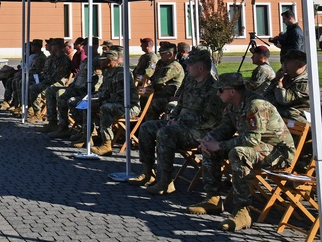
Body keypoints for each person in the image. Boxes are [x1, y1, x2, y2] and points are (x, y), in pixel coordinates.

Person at [192, 72, 295, 231]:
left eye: (220, 90)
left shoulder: (255, 105)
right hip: (258, 147)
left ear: (232, 91)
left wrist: (219, 145)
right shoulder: (233, 104)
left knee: (238, 153)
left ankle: (242, 211)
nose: (217, 93)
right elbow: (226, 127)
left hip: (278, 152)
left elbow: (251, 140)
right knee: (211, 149)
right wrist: (209, 139)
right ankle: (213, 198)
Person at [130, 48, 223, 195]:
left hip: (200, 131)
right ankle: (148, 173)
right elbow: (180, 103)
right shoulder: (190, 80)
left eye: (190, 65)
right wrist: (173, 117)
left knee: (166, 133)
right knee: (147, 127)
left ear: (201, 67)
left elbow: (210, 120)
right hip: (181, 124)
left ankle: (166, 180)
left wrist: (180, 121)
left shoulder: (213, 88)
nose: (187, 67)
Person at [90, 49, 141, 155]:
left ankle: (107, 145)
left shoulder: (121, 73)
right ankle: (90, 136)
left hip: (129, 107)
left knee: (105, 108)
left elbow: (122, 97)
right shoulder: (108, 72)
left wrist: (100, 103)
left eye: (103, 60)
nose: (100, 63)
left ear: (110, 61)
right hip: (117, 104)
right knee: (88, 104)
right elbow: (106, 92)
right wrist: (96, 100)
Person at [266, 49, 310, 122]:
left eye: (287, 62)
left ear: (300, 65)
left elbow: (284, 100)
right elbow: (267, 95)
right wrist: (276, 80)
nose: (283, 65)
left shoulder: (305, 83)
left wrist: (279, 83)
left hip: (300, 115)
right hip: (284, 111)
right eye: (283, 62)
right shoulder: (286, 77)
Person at [146, 41, 186, 119]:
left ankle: (151, 125)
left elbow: (158, 81)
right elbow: (153, 77)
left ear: (170, 54)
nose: (160, 56)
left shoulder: (174, 66)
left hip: (171, 96)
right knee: (143, 98)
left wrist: (155, 82)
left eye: (162, 54)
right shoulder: (162, 63)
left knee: (152, 103)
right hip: (159, 92)